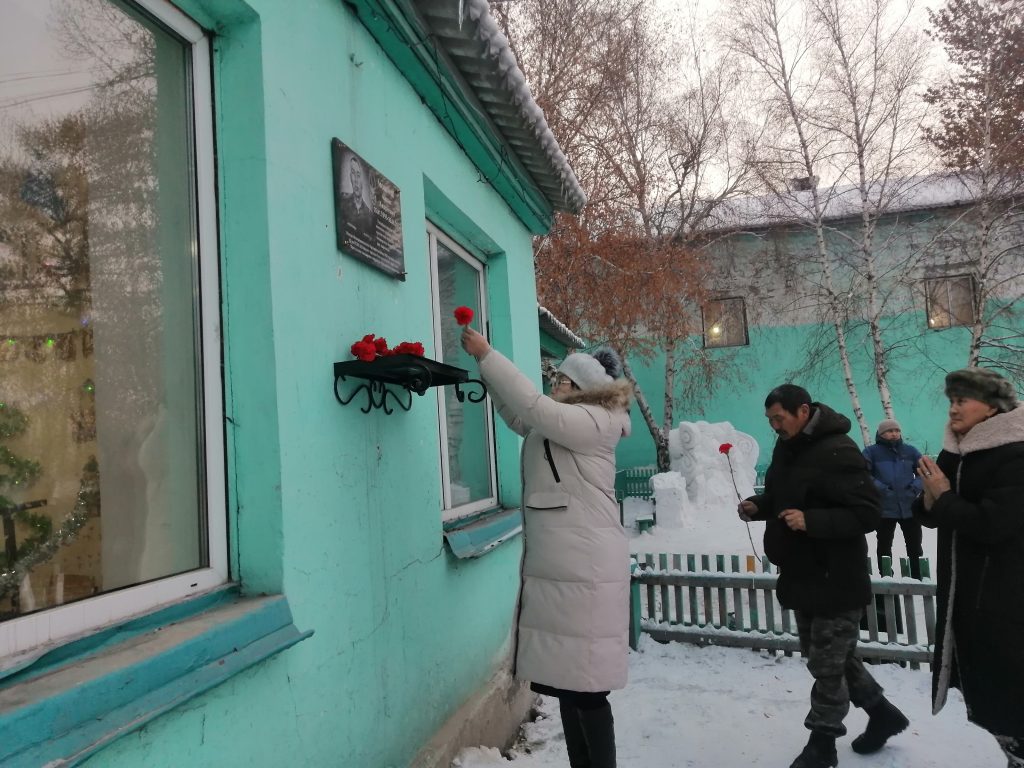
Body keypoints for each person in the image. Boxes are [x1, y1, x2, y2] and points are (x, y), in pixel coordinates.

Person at [461, 326, 632, 768]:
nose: (554, 384)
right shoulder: (564, 423)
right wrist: (485, 371)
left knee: (588, 691)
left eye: (562, 380)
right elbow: (521, 416)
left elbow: (533, 407)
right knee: (571, 686)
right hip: (571, 566)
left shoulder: (595, 421)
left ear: (582, 388)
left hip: (587, 569)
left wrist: (489, 354)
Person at [737, 384, 909, 768]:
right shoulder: (788, 447)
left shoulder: (839, 450)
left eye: (779, 418)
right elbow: (785, 496)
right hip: (801, 573)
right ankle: (882, 714)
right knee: (831, 658)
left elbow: (868, 512)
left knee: (827, 667)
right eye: (770, 420)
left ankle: (822, 744)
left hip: (836, 577)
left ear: (802, 411)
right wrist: (759, 506)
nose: (775, 426)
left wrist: (811, 521)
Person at [914, 368, 1024, 768]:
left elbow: (994, 523)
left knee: (1011, 692)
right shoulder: (956, 451)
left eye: (962, 400)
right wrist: (930, 501)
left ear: (992, 407)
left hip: (1008, 595)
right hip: (967, 597)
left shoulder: (1016, 453)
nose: (953, 409)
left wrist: (942, 497)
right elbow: (932, 513)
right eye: (951, 400)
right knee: (991, 694)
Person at [862, 419, 924, 578]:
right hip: (884, 508)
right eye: (890, 431)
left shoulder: (910, 451)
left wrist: (915, 488)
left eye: (897, 430)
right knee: (884, 545)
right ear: (881, 434)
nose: (894, 434)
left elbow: (925, 472)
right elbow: (863, 475)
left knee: (915, 545)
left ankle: (918, 577)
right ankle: (886, 576)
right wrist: (882, 489)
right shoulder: (871, 452)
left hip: (909, 507)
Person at [339, 155, 376, 242]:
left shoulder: (370, 215)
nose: (356, 180)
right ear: (350, 177)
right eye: (353, 173)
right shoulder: (342, 201)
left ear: (363, 181)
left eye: (358, 175)